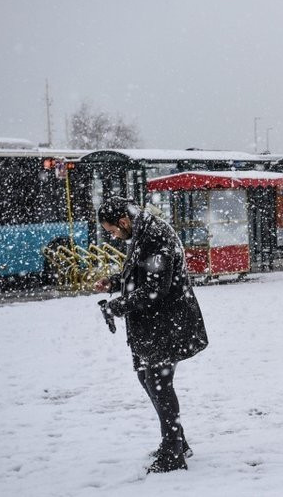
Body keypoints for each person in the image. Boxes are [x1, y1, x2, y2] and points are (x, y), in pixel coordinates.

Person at [94, 196, 208, 473]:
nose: (115, 236)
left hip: (167, 324)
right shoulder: (143, 231)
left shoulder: (154, 236)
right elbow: (142, 274)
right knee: (149, 379)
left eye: (113, 231)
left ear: (123, 221)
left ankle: (173, 454)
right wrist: (114, 282)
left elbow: (156, 289)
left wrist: (117, 306)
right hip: (154, 325)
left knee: (158, 383)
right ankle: (177, 442)